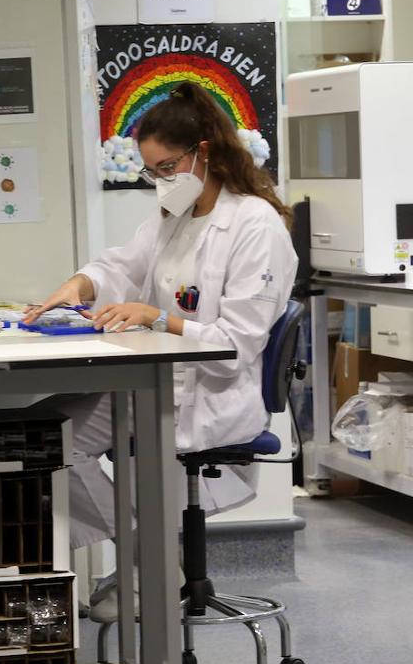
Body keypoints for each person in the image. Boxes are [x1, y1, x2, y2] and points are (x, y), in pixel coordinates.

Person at [24, 82, 297, 615]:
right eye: (152, 172)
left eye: (168, 167)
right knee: (46, 435)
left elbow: (236, 344)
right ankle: (145, 553)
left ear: (206, 151)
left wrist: (157, 317)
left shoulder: (254, 225)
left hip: (210, 396)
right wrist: (76, 287)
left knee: (56, 441)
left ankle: (144, 562)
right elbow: (121, 265)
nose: (161, 181)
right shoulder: (175, 218)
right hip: (155, 385)